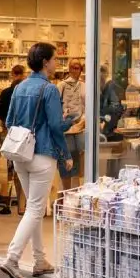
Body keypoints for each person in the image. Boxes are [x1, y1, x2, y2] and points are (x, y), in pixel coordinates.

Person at [0, 42, 76, 278]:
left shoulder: (20, 87)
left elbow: (9, 120)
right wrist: (69, 125)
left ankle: (40, 260)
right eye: (55, 60)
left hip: (21, 153)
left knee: (32, 210)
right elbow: (55, 126)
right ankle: (12, 259)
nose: (57, 64)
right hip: (43, 154)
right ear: (45, 62)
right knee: (35, 209)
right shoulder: (50, 89)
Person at [0, 65, 27, 215]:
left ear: (12, 74)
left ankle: (6, 202)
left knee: (9, 169)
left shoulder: (6, 92)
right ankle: (21, 205)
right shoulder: (28, 93)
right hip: (25, 134)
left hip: (10, 134)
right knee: (22, 169)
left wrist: (5, 128)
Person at [58, 60, 86, 189]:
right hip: (66, 128)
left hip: (80, 127)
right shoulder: (61, 85)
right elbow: (57, 105)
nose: (76, 70)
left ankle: (76, 191)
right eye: (73, 68)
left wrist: (83, 121)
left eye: (78, 68)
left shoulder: (84, 85)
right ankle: (66, 191)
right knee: (66, 158)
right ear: (69, 69)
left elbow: (86, 105)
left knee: (80, 158)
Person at [99, 64, 124, 139]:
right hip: (108, 127)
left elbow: (115, 108)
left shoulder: (111, 86)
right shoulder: (107, 86)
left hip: (110, 129)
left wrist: (101, 113)